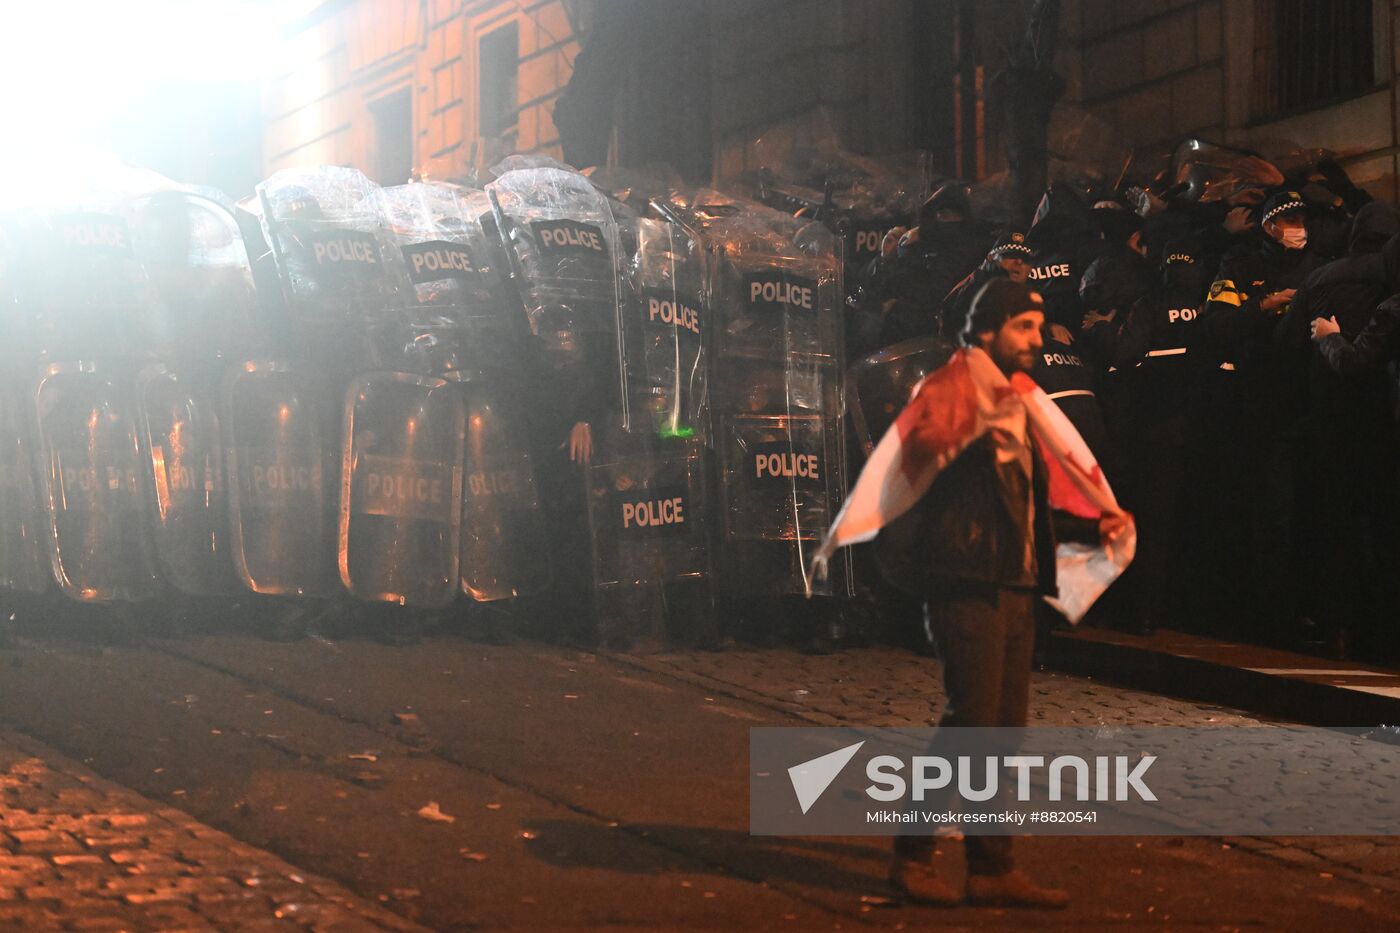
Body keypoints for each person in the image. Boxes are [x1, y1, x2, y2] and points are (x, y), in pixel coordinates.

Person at [821, 278, 1125, 908]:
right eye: (1025, 328)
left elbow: (1025, 497)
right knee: (972, 725)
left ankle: (991, 866)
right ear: (989, 330)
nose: (1038, 341)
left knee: (1002, 731)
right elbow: (914, 466)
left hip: (1012, 580)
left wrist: (1087, 527)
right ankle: (912, 853)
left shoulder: (1021, 402)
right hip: (965, 578)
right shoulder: (955, 390)